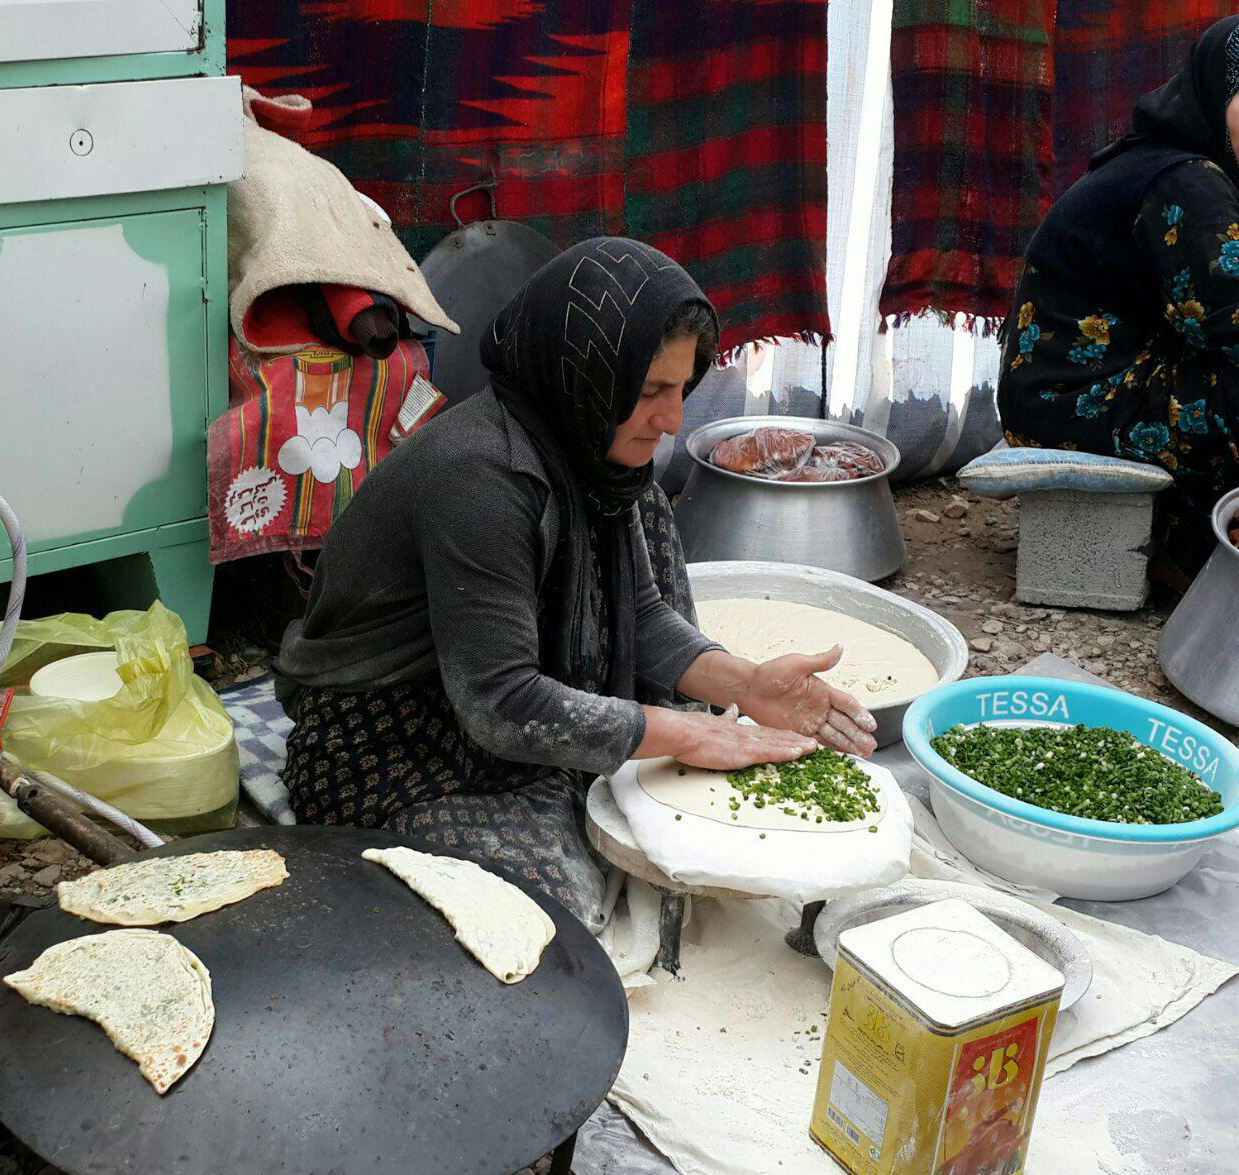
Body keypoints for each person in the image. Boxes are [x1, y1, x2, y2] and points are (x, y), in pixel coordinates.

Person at [275, 237, 877, 931]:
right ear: (585, 376)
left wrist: (744, 686)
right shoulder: (482, 478)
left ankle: (616, 751)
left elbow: (639, 615)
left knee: (642, 500)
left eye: (682, 389)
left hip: (494, 695)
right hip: (396, 732)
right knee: (546, 912)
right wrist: (682, 734)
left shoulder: (593, 453)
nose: (674, 419)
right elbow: (501, 703)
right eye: (650, 391)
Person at [998, 16, 1239, 581]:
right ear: (1215, 90)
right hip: (1073, 400)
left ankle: (1193, 534)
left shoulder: (1190, 163)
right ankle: (1198, 546)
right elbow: (1230, 319)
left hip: (1100, 384)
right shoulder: (1186, 180)